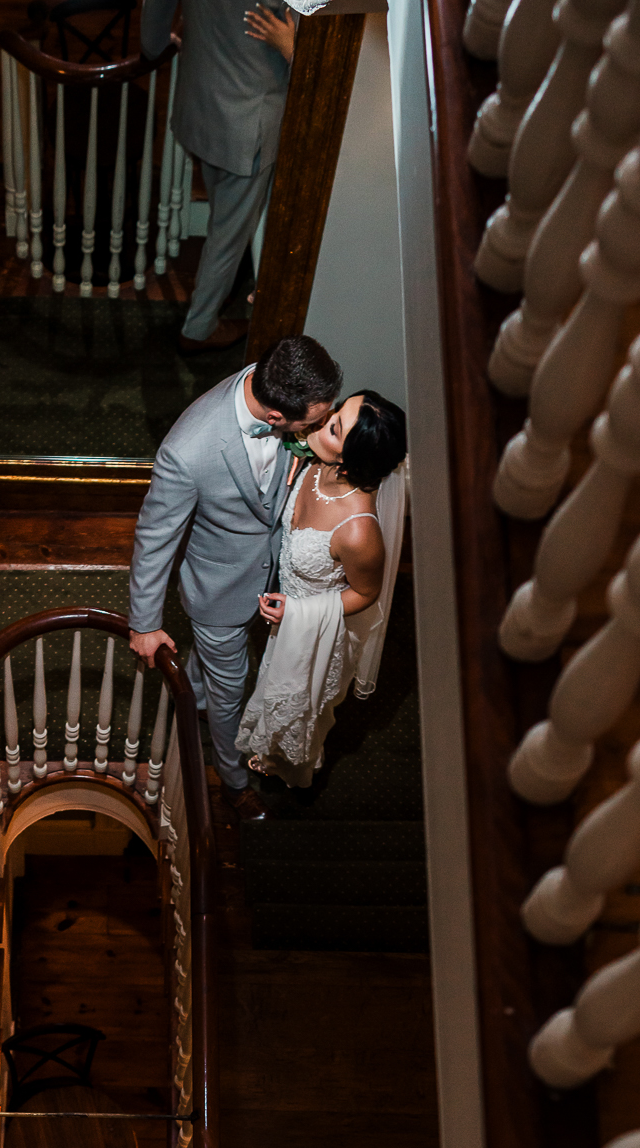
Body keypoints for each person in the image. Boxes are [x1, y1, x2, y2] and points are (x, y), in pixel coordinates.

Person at [128, 334, 341, 821]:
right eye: (311, 425)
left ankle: (195, 696)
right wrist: (144, 623)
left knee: (212, 680)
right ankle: (232, 781)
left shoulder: (272, 383)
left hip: (277, 568)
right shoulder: (187, 451)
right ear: (276, 417)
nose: (318, 430)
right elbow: (154, 538)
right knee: (231, 695)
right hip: (218, 593)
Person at [236, 389, 409, 789]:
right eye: (339, 410)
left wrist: (297, 613)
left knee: (301, 709)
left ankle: (291, 768)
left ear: (349, 461)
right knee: (270, 687)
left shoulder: (359, 532)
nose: (324, 418)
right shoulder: (317, 461)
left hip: (318, 635)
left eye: (335, 427)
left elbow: (366, 594)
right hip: (285, 620)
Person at [140, 0, 295, 353]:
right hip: (247, 121)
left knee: (224, 222)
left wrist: (155, 44)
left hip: (201, 103)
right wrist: (291, 48)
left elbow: (155, 18)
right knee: (227, 236)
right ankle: (199, 328)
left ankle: (223, 289)